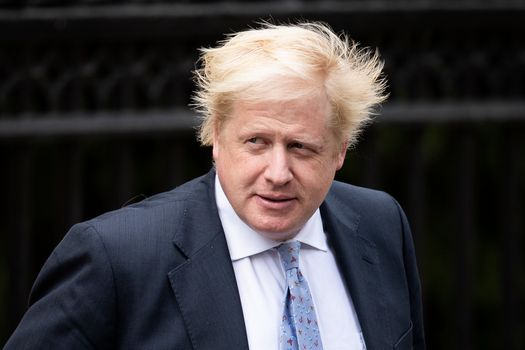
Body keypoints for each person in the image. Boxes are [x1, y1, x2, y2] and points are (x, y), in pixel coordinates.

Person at [5, 22, 425, 349]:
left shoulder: (380, 223)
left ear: (340, 151)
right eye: (256, 142)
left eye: (301, 147)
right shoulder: (117, 257)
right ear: (216, 136)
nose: (278, 172)